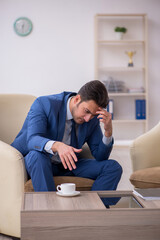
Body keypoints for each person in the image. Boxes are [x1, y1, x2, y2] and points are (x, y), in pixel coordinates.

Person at [11, 80, 122, 206]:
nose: (87, 119)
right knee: (36, 156)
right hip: (41, 162)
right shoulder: (44, 104)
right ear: (77, 99)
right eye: (86, 111)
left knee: (112, 167)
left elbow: (100, 156)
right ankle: (51, 210)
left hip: (69, 164)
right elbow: (32, 140)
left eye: (92, 115)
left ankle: (95, 210)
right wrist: (57, 146)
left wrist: (108, 131)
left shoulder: (91, 119)